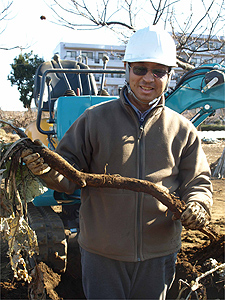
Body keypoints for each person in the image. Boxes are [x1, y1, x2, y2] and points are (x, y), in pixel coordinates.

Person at [22, 25, 213, 300]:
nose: (148, 78)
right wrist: (47, 171)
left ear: (169, 75)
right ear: (127, 68)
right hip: (102, 256)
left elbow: (198, 181)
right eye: (140, 69)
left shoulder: (182, 129)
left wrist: (198, 204)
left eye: (158, 71)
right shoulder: (93, 119)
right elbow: (66, 173)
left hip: (158, 256)